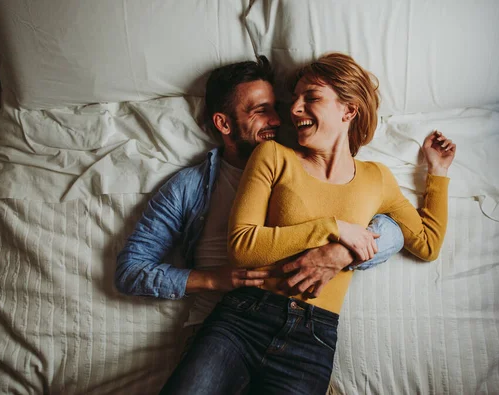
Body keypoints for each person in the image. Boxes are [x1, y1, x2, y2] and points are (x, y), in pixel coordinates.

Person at [163, 53, 456, 394]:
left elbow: (429, 244)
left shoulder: (378, 179)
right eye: (296, 99)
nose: (295, 109)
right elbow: (243, 247)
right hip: (242, 321)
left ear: (349, 110)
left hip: (312, 341)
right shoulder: (273, 156)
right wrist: (333, 228)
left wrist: (438, 172)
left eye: (311, 98)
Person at [115, 56, 404, 369]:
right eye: (260, 111)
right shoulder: (189, 187)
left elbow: (392, 227)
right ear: (223, 123)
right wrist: (211, 280)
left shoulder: (305, 168)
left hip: (298, 333)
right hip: (217, 326)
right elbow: (131, 270)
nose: (279, 120)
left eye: (275, 109)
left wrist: (342, 252)